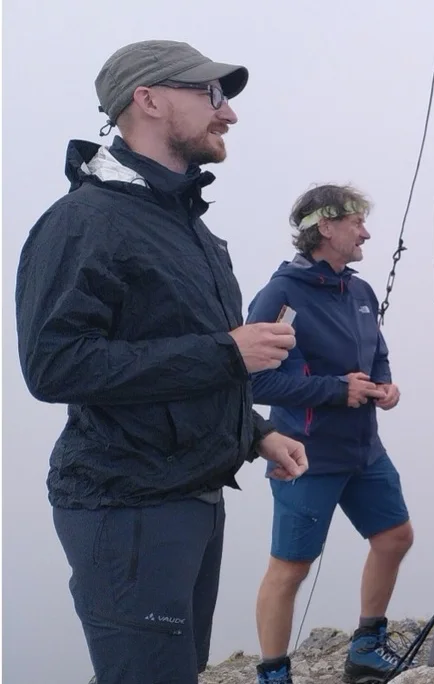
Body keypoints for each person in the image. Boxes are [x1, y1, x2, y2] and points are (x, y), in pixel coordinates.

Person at [13, 40, 309, 684]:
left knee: (172, 671)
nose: (227, 113)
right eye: (211, 95)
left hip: (190, 496)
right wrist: (227, 350)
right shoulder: (84, 222)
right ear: (146, 100)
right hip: (126, 508)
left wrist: (257, 434)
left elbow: (180, 356)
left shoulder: (189, 230)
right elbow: (54, 365)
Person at [246, 184, 412, 684]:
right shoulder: (283, 295)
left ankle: (365, 646)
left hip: (363, 448)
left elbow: (374, 349)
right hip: (304, 451)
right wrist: (338, 391)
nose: (366, 232)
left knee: (395, 537)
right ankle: (273, 673)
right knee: (291, 567)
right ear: (325, 228)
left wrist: (384, 384)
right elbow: (258, 379)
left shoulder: (358, 290)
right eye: (356, 222)